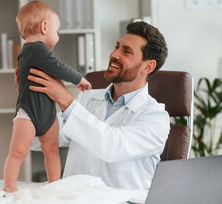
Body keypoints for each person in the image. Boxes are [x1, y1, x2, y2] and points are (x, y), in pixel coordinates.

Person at [20, 21, 170, 190]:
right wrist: (29, 98)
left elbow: (112, 146)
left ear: (148, 66)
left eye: (126, 52)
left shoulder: (156, 118)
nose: (114, 54)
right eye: (117, 47)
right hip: (75, 198)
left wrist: (65, 100)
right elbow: (34, 141)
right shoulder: (88, 99)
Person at [3, 0, 92, 193]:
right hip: (28, 112)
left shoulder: (29, 52)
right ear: (45, 26)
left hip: (47, 112)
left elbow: (23, 79)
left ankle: (55, 185)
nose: (57, 35)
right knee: (19, 150)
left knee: (51, 149)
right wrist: (78, 79)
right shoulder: (37, 49)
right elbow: (57, 67)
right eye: (57, 31)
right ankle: (10, 187)